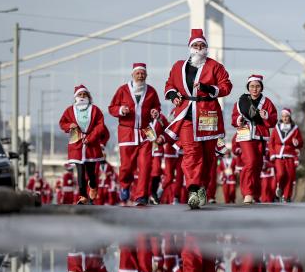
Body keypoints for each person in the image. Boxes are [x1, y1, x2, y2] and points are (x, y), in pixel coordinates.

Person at [163, 29, 233, 209]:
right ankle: (193, 189)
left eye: (202, 45)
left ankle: (202, 185)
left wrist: (209, 88)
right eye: (195, 45)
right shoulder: (178, 66)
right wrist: (173, 96)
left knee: (208, 157)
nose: (198, 48)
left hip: (208, 113)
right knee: (191, 153)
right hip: (186, 113)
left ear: (206, 48)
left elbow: (226, 86)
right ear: (190, 47)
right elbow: (170, 84)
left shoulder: (215, 66)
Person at [108, 63, 163, 206]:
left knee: (145, 166)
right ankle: (125, 185)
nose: (140, 76)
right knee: (127, 166)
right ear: (132, 75)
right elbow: (111, 108)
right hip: (127, 133)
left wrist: (155, 112)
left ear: (146, 75)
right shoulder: (122, 90)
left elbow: (157, 106)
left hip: (145, 132)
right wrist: (120, 110)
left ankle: (141, 196)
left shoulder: (151, 91)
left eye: (143, 73)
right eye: (138, 73)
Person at [231, 75, 278, 204]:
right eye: (252, 86)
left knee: (257, 165)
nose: (254, 89)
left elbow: (273, 121)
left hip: (261, 136)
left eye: (257, 86)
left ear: (261, 88)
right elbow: (234, 117)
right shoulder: (241, 102)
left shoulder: (267, 102)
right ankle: (247, 192)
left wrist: (267, 116)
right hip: (245, 135)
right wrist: (238, 120)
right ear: (248, 87)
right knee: (250, 162)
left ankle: (255, 193)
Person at [59, 85, 109, 205]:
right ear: (75, 97)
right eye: (80, 95)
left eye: (84, 95)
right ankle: (83, 196)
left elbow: (100, 126)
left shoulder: (95, 110)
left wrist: (91, 138)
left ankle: (93, 186)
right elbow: (62, 123)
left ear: (88, 96)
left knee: (91, 172)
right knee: (80, 171)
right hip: (76, 145)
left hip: (91, 145)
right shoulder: (70, 110)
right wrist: (69, 125)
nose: (82, 97)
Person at [269, 108, 303, 202]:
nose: (285, 118)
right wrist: (272, 154)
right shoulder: (277, 128)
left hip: (290, 155)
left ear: (290, 117)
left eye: (287, 116)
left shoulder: (295, 128)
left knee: (290, 176)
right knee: (280, 174)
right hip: (278, 155)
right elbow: (271, 142)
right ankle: (279, 186)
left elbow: (301, 142)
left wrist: (297, 142)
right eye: (283, 116)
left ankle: (287, 196)